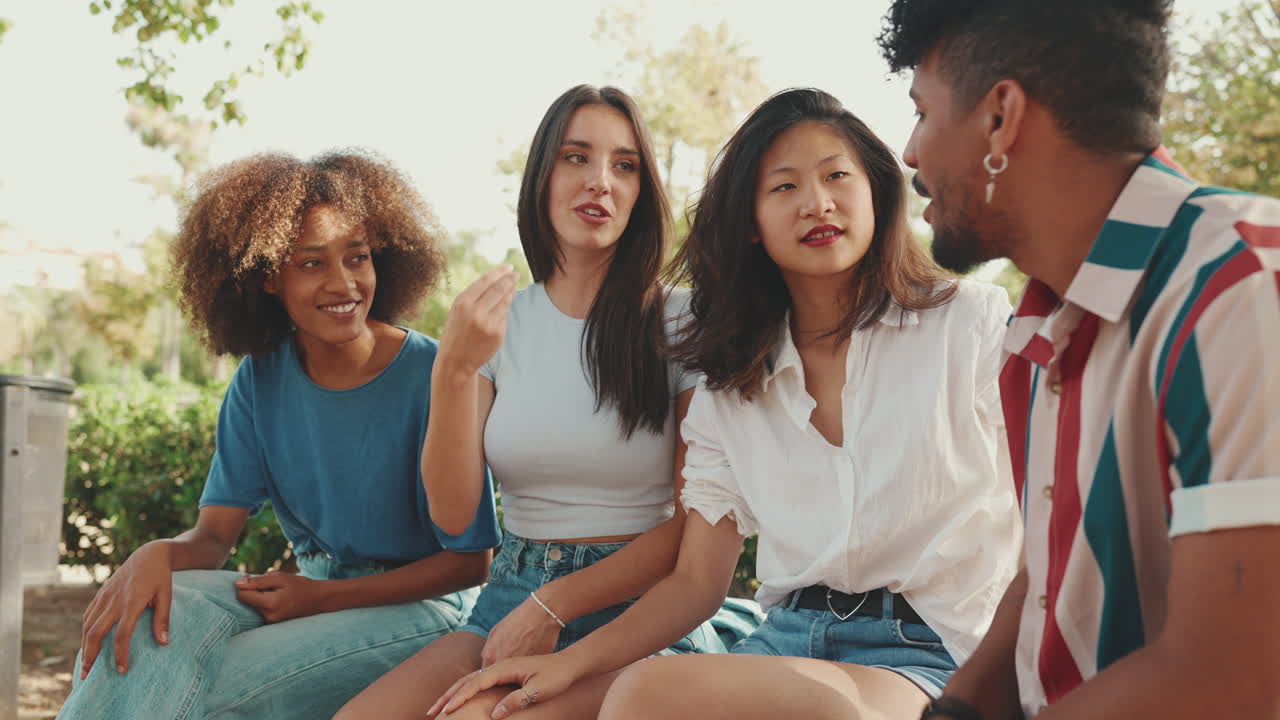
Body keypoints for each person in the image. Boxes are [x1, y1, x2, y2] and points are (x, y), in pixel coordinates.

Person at [431, 88, 1023, 720]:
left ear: (876, 191)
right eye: (784, 188)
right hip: (787, 640)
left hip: (935, 651)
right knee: (633, 696)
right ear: (751, 225)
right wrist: (567, 664)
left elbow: (1051, 533)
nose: (816, 202)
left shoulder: (971, 326)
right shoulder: (734, 378)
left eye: (836, 176)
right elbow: (694, 582)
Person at [876, 2, 1280, 718]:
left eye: (921, 112)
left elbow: (1237, 678)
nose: (910, 155)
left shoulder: (1241, 285)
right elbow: (1051, 582)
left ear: (1000, 118)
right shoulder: (1034, 337)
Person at [58, 151, 500, 720]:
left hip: (429, 610)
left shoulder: (435, 374)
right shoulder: (259, 380)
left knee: (209, 692)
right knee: (141, 617)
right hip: (308, 593)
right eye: (312, 264)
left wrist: (324, 597)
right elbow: (213, 541)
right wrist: (154, 555)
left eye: (357, 257)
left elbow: (470, 564)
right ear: (270, 277)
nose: (343, 283)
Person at [335, 85, 729, 720]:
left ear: (641, 192)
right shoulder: (500, 323)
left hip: (638, 611)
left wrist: (558, 604)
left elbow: (692, 530)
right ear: (542, 176)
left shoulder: (683, 324)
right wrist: (454, 369)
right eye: (577, 157)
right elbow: (456, 513)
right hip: (512, 593)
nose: (600, 181)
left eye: (624, 165)